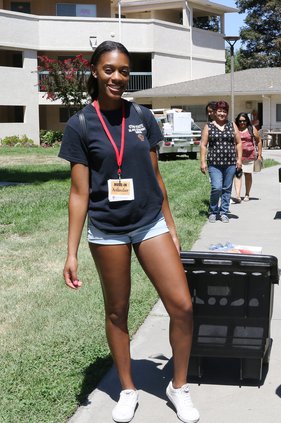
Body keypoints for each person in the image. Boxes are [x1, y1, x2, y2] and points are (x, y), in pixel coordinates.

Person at [58, 41, 200, 423]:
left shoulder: (141, 116)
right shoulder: (81, 124)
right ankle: (127, 388)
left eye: (123, 70)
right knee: (117, 312)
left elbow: (156, 176)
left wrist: (170, 227)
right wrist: (71, 253)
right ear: (94, 71)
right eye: (109, 69)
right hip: (107, 230)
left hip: (149, 221)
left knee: (182, 306)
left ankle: (178, 386)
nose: (117, 77)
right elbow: (78, 193)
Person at [199, 100, 242, 223]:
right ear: (215, 112)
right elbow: (203, 145)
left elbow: (239, 143)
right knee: (217, 187)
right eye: (219, 111)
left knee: (227, 188)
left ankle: (224, 212)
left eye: (224, 111)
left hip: (230, 163)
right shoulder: (209, 126)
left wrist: (239, 159)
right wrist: (202, 162)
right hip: (214, 163)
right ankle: (213, 211)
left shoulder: (232, 125)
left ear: (227, 113)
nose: (222, 113)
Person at [232, 112, 262, 203]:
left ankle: (247, 194)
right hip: (238, 156)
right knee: (238, 174)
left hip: (249, 156)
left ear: (247, 121)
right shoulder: (234, 129)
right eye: (240, 121)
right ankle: (237, 195)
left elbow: (259, 141)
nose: (242, 123)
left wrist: (259, 155)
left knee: (248, 175)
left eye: (244, 121)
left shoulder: (251, 129)